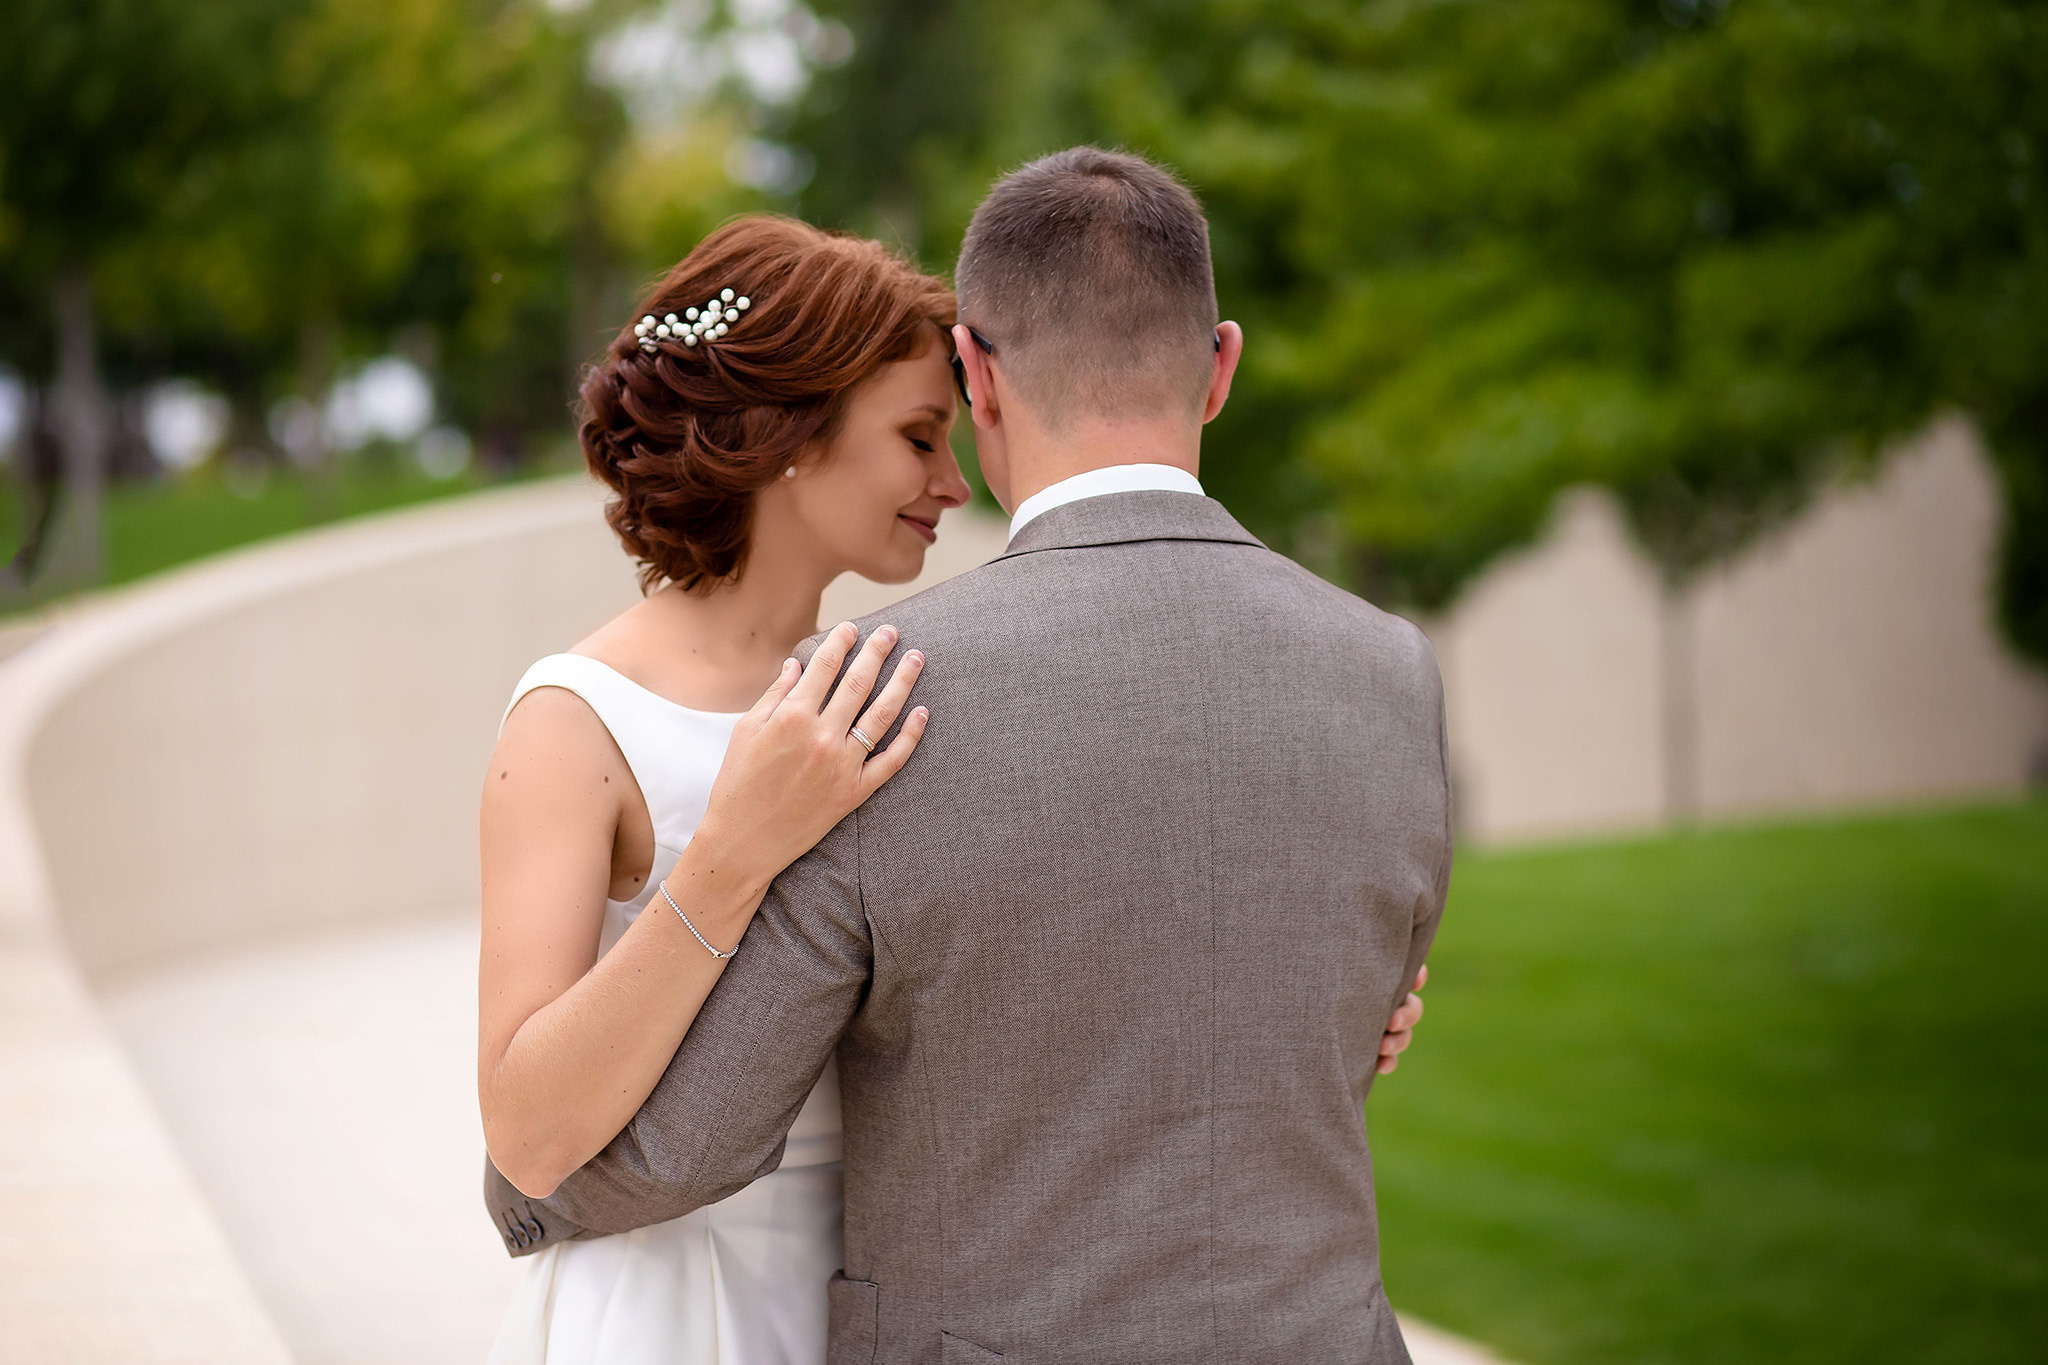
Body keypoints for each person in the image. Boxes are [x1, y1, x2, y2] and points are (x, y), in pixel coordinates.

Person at [484, 150, 1438, 1363]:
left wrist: (1308, 1000)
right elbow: (539, 1118)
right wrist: (731, 852)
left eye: (946, 427)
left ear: (982, 377)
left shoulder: (885, 690)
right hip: (690, 1303)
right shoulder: (1386, 664)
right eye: (914, 437)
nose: (949, 481)